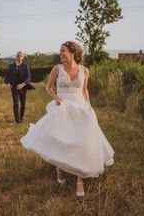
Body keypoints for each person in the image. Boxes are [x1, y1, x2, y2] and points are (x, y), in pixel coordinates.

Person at [20, 41, 114, 197]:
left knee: (83, 141)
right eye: (60, 51)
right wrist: (56, 98)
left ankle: (80, 179)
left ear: (72, 52)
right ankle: (60, 167)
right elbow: (48, 87)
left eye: (63, 50)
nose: (60, 53)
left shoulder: (85, 71)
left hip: (80, 106)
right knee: (61, 138)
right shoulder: (57, 69)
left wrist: (89, 106)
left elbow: (84, 90)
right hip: (62, 105)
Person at [4, 51, 35, 126]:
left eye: (21, 56)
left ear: (23, 57)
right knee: (15, 104)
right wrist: (8, 84)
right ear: (16, 57)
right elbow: (6, 78)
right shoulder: (11, 66)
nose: (19, 57)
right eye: (18, 56)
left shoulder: (25, 66)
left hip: (23, 88)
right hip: (14, 88)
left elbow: (28, 77)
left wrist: (23, 84)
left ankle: (21, 117)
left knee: (23, 104)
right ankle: (17, 121)